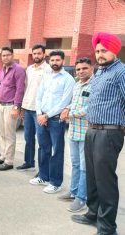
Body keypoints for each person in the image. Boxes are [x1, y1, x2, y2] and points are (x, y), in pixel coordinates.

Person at [71, 32, 125, 235]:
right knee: (92, 176)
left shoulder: (121, 72)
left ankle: (108, 227)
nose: (100, 54)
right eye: (98, 50)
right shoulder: (100, 72)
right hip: (92, 130)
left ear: (114, 50)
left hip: (109, 132)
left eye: (104, 50)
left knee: (105, 180)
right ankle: (93, 212)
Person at [29, 50, 75, 194]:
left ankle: (56, 182)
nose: (55, 63)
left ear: (63, 61)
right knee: (43, 148)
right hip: (41, 118)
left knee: (57, 151)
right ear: (49, 61)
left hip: (55, 120)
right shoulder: (46, 77)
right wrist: (38, 114)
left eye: (58, 60)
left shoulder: (68, 79)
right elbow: (39, 96)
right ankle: (43, 176)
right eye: (53, 60)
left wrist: (46, 116)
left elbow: (64, 102)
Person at [58, 57, 93, 212]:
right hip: (73, 131)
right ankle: (73, 192)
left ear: (91, 68)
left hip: (86, 133)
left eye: (84, 68)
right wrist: (67, 108)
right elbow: (75, 103)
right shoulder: (77, 85)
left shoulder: (95, 85)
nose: (80, 71)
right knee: (76, 164)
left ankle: (81, 198)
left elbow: (89, 108)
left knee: (85, 167)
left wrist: (69, 114)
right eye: (78, 69)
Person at [16, 44, 50, 171]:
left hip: (40, 111)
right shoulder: (29, 69)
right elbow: (25, 89)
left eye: (39, 53)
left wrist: (44, 112)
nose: (36, 56)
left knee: (42, 141)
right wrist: (22, 108)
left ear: (44, 54)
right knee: (28, 138)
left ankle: (42, 171)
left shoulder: (48, 69)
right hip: (28, 107)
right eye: (34, 53)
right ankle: (29, 163)